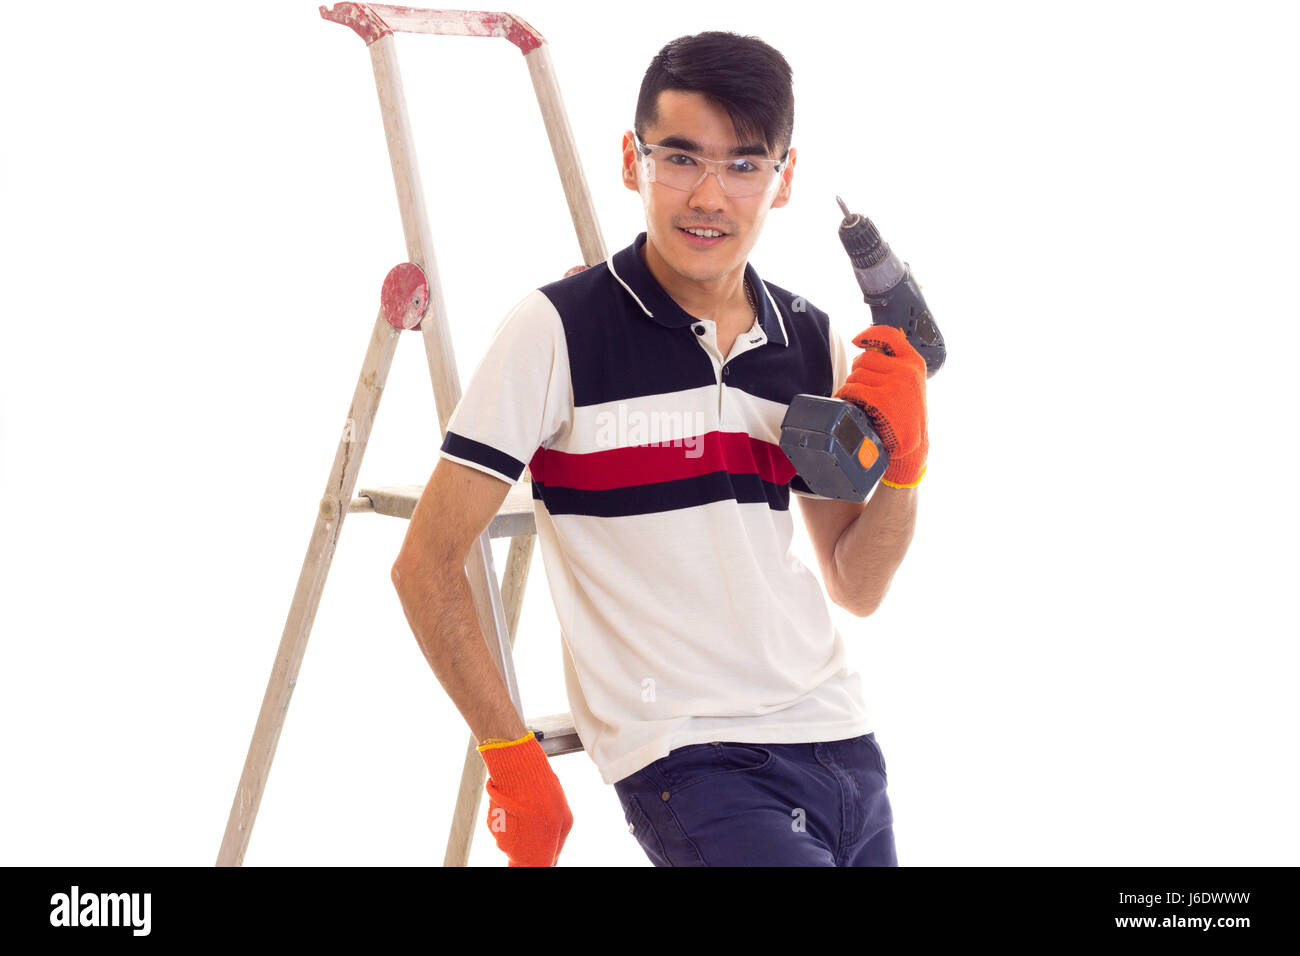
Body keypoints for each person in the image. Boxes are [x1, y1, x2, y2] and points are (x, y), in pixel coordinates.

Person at [390, 30, 928, 867]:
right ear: (631, 161)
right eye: (680, 158)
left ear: (783, 180)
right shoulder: (559, 329)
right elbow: (425, 562)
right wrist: (508, 755)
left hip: (842, 742)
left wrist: (906, 466)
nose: (708, 196)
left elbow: (856, 585)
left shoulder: (810, 338)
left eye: (744, 165)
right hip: (691, 758)